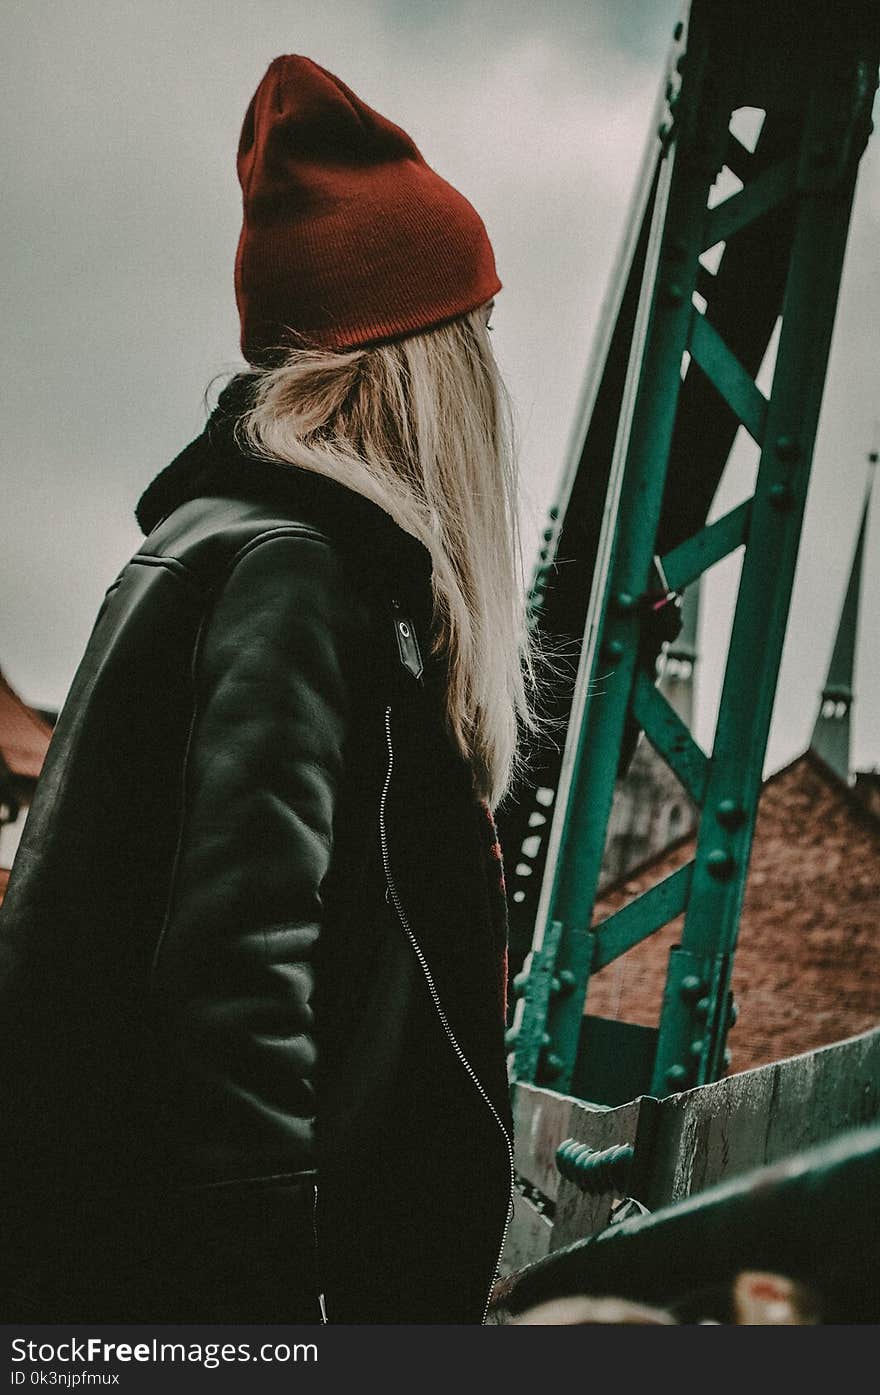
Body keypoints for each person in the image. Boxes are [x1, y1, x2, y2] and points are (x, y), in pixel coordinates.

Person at [0, 55, 544, 1324]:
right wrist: (271, 1323)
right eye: (470, 333)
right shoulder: (295, 570)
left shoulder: (249, 548)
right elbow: (240, 983)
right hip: (231, 1309)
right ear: (417, 361)